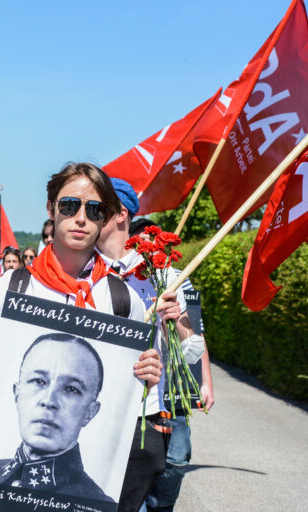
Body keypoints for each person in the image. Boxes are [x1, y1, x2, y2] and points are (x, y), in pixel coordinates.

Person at [0, 162, 183, 510]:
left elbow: (126, 392)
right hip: (4, 495)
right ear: (51, 209)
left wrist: (148, 374)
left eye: (94, 209)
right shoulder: (12, 287)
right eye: (70, 206)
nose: (81, 218)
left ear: (106, 217)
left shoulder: (122, 300)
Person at [95, 178, 203, 512]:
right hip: (96, 412)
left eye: (96, 207)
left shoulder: (166, 275)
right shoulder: (83, 269)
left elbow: (194, 349)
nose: (84, 216)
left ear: (120, 214)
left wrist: (177, 324)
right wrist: (145, 317)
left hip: (145, 418)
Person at [125, 219, 215, 512]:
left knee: (177, 461)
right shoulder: (123, 277)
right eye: (141, 246)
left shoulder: (179, 277)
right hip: (140, 388)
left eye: (152, 246)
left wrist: (206, 382)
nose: (147, 252)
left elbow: (196, 334)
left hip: (175, 388)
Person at [0, 333, 114, 503]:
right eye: (38, 381)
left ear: (90, 412)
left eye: (72, 389)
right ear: (17, 395)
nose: (49, 401)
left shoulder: (96, 504)